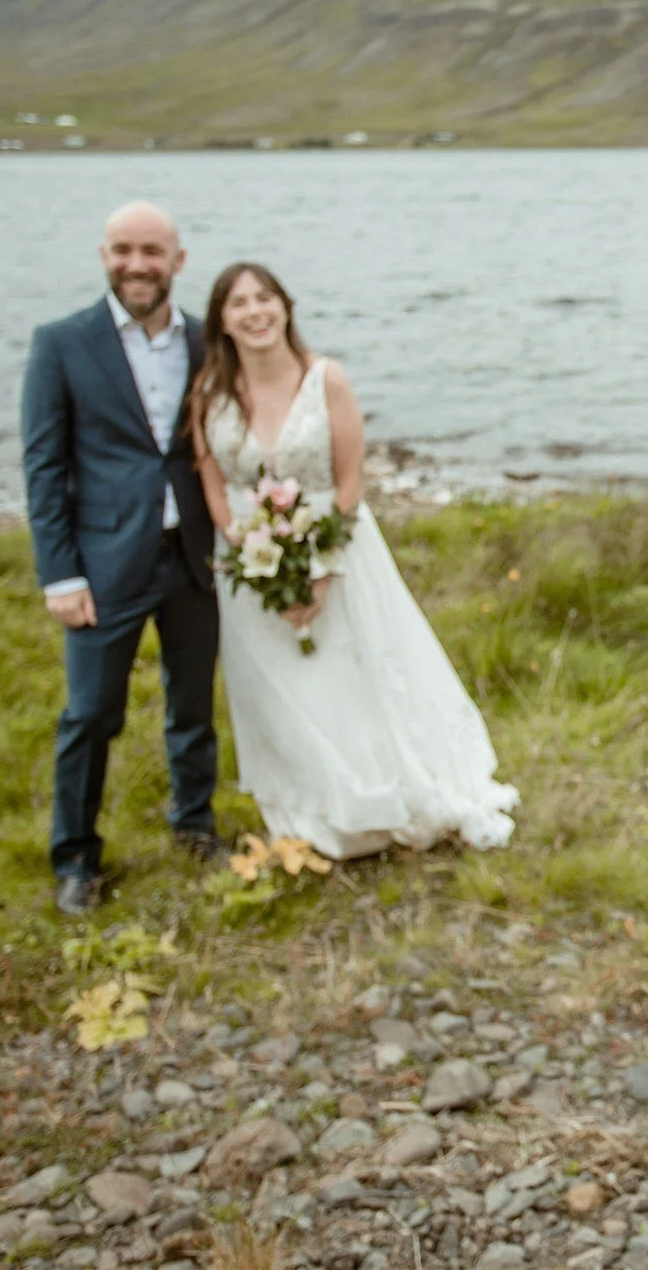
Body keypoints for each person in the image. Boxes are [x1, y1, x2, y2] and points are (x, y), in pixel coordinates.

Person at [190, 263, 518, 859]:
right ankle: (309, 804)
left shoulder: (326, 379)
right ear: (222, 321)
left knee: (354, 676)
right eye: (239, 303)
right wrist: (250, 552)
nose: (255, 312)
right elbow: (212, 485)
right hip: (247, 560)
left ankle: (383, 796)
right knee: (279, 685)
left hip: (334, 546)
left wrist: (318, 569)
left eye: (264, 297)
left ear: (285, 307)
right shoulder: (209, 391)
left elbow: (348, 481)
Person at [21, 201, 222, 916]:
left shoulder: (208, 342)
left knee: (192, 705)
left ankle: (194, 823)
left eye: (151, 251)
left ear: (178, 260)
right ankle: (75, 855)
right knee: (90, 714)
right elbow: (43, 466)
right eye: (122, 250)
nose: (137, 265)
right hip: (103, 564)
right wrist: (61, 572)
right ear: (103, 254)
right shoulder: (62, 343)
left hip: (194, 559)